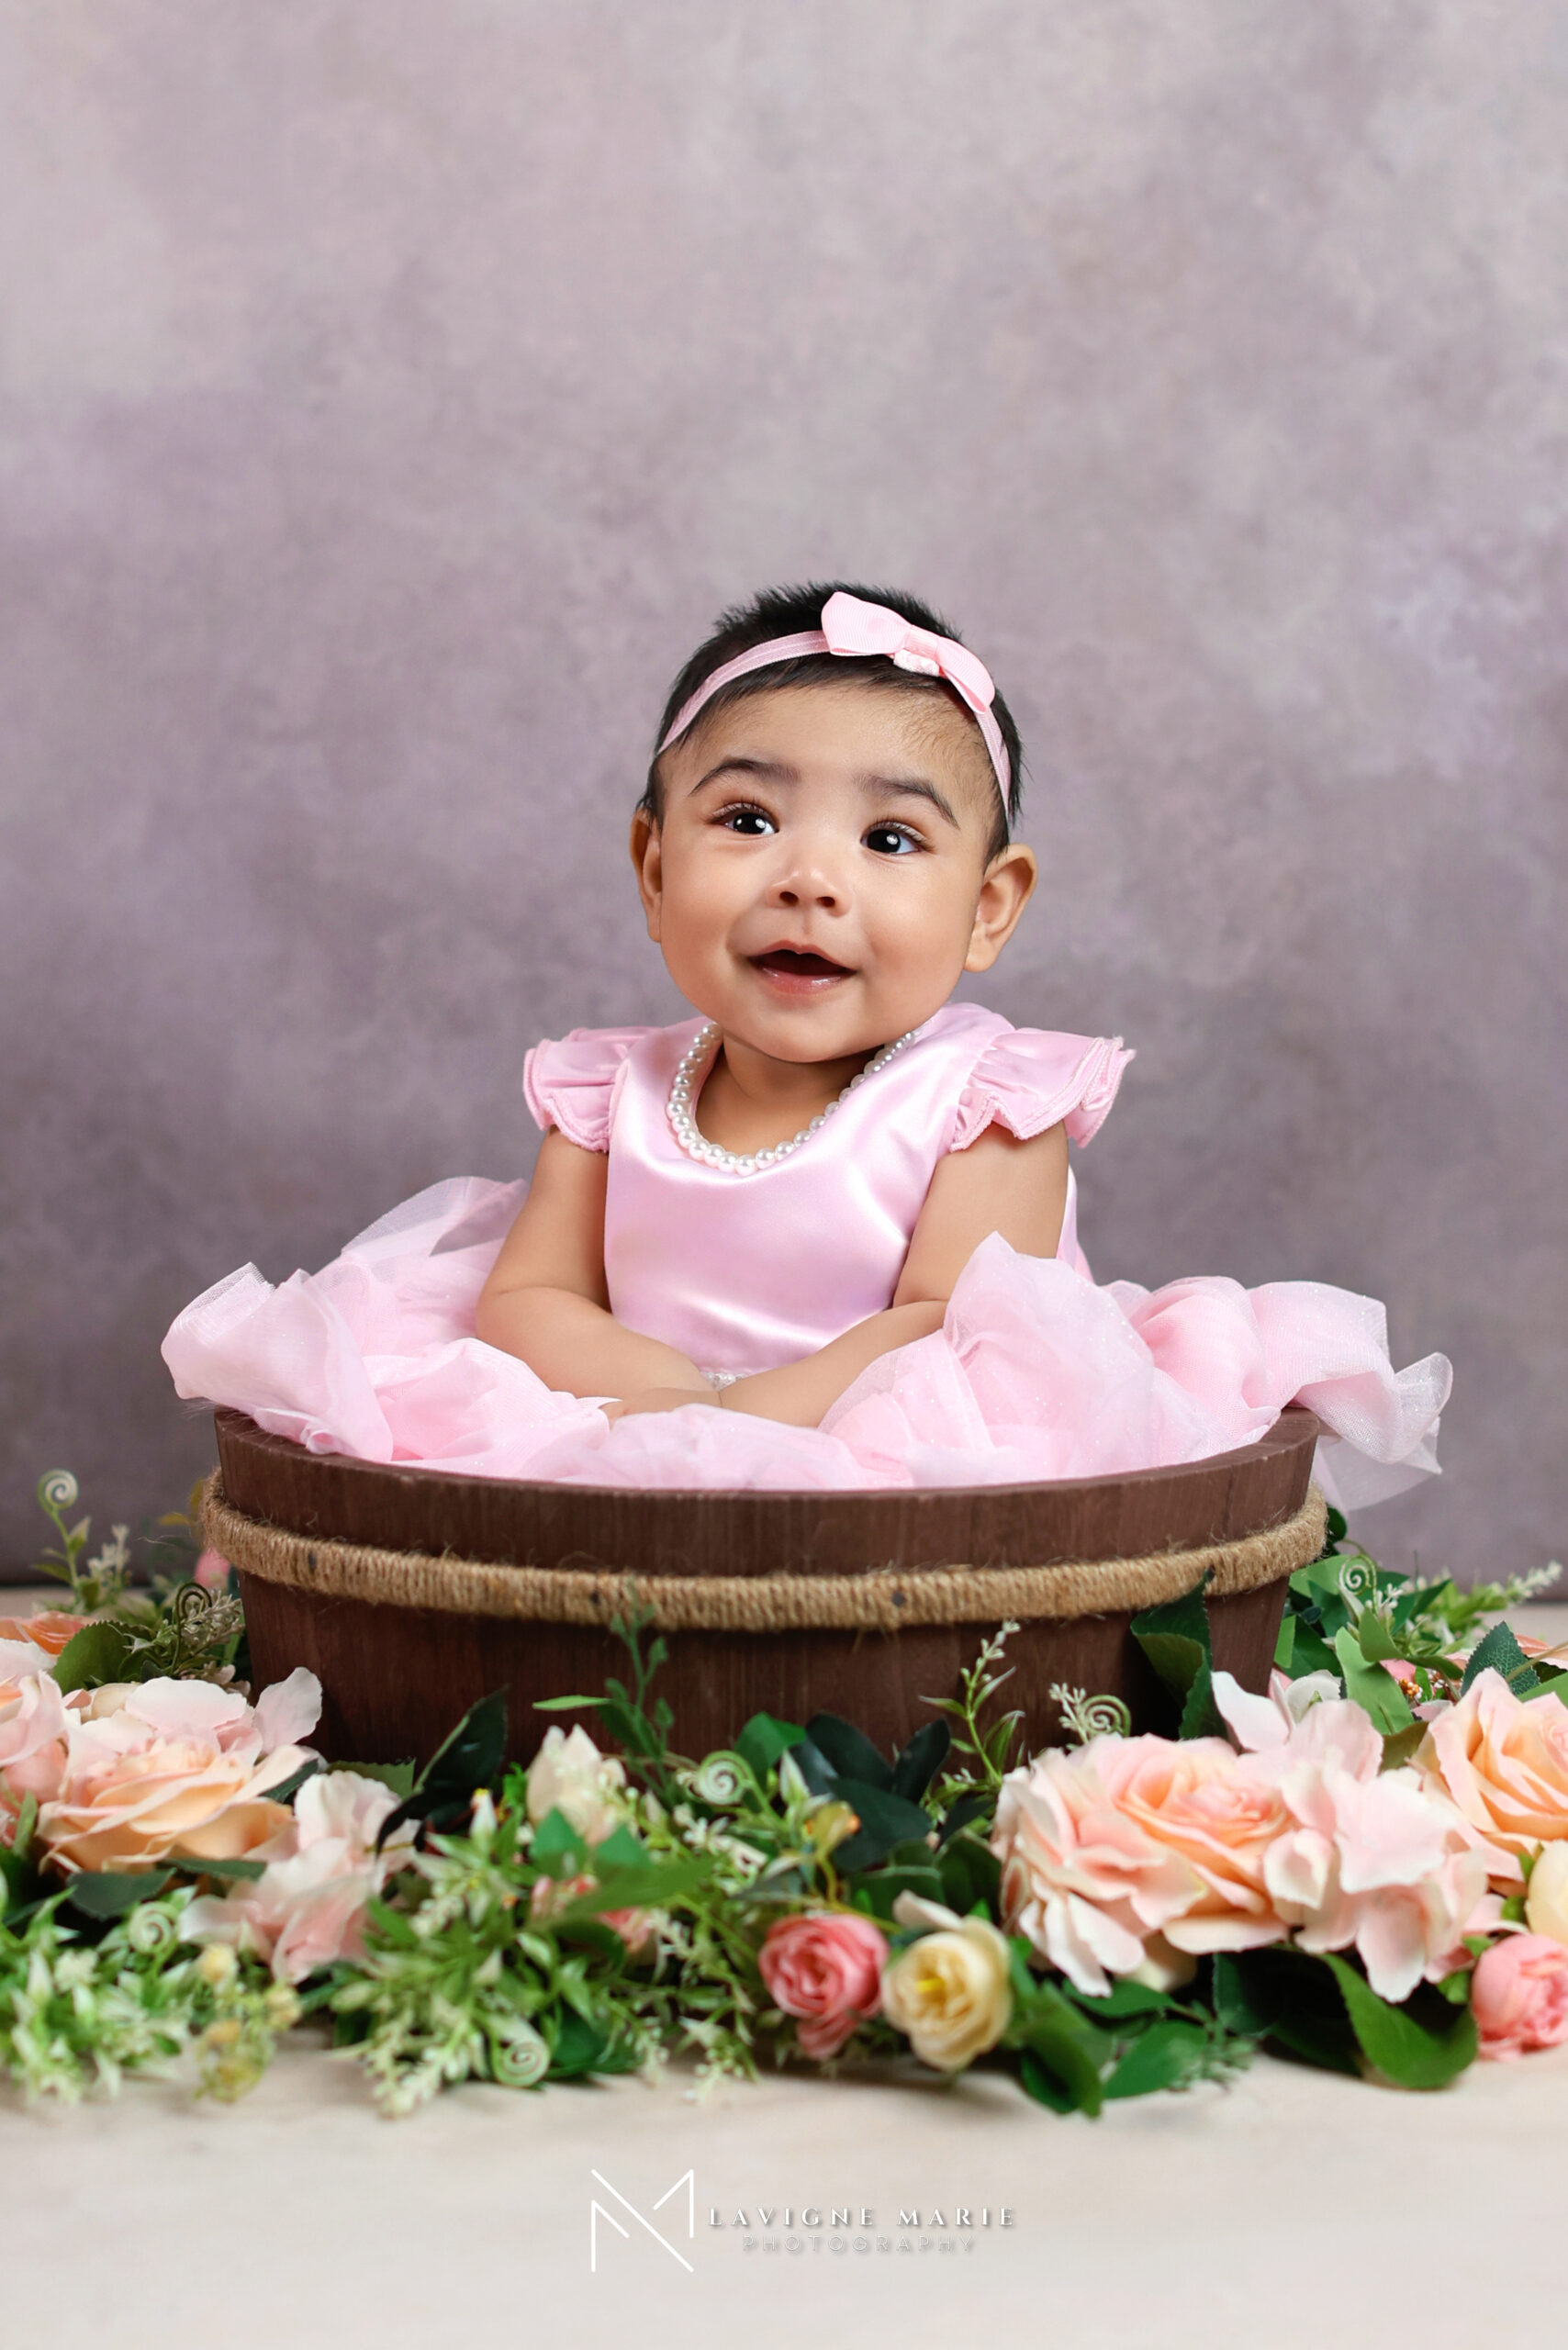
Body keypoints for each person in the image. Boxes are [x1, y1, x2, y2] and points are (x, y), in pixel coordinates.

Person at [163, 584, 1449, 1503]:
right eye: (745, 820)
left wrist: (741, 1428)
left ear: (988, 905)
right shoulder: (610, 1094)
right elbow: (531, 1298)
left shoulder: (989, 1101)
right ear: (653, 866)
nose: (810, 880)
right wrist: (659, 1412)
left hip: (909, 1473)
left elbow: (961, 1328)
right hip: (634, 1435)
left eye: (890, 842)